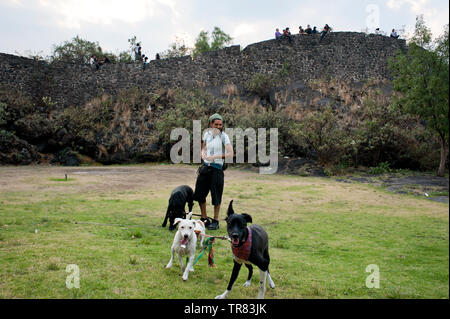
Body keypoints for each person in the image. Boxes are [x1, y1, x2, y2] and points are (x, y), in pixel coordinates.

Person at [193, 113, 234, 230]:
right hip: (206, 168)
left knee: (216, 195)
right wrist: (203, 154)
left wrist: (216, 156)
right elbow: (203, 148)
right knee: (200, 193)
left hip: (217, 169)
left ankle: (215, 221)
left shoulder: (224, 136)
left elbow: (231, 153)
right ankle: (204, 218)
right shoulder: (206, 134)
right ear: (211, 124)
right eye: (216, 124)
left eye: (220, 124)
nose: (218, 126)